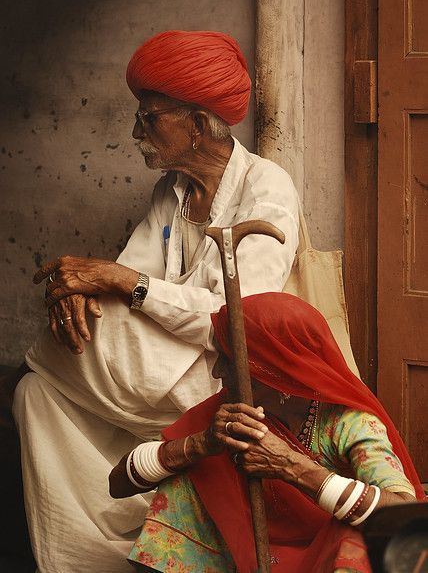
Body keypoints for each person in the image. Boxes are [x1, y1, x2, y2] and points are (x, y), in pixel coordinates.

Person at [11, 31, 300, 573]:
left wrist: (120, 283)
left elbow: (239, 317)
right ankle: (89, 560)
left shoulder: (268, 188)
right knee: (34, 397)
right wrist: (83, 290)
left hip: (221, 376)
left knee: (98, 324)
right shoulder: (171, 191)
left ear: (197, 121)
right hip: (156, 369)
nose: (136, 131)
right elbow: (128, 278)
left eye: (150, 117)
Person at [109, 292, 425, 573]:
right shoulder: (226, 414)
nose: (217, 371)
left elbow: (403, 516)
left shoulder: (348, 424)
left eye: (227, 361)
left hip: (325, 555)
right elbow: (118, 482)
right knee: (184, 481)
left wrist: (291, 466)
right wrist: (200, 444)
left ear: (272, 372)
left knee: (359, 531)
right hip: (244, 553)